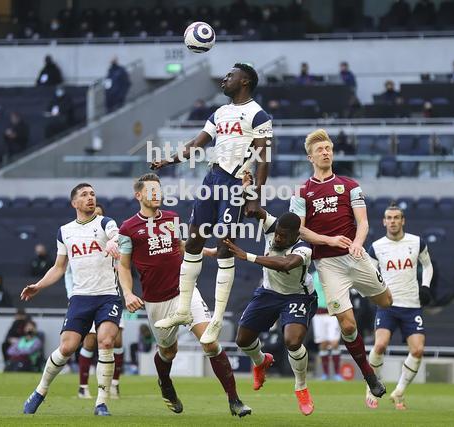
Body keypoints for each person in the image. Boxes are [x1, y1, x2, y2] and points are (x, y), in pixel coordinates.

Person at [150, 63, 272, 344]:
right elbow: (197, 142)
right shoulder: (219, 113)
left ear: (245, 82)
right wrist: (168, 160)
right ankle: (182, 310)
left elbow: (264, 159)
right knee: (193, 241)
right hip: (212, 178)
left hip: (235, 183)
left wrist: (255, 195)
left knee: (224, 247)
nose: (225, 79)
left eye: (231, 76)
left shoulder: (258, 115)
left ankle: (216, 319)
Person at [113, 173, 251, 416]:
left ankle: (234, 400)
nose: (157, 194)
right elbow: (123, 265)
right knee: (168, 351)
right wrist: (127, 293)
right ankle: (165, 384)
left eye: (159, 190)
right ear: (139, 195)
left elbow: (179, 246)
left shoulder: (172, 217)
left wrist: (204, 250)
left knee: (209, 341)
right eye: (151, 190)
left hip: (184, 291)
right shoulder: (128, 229)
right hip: (156, 301)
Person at [289, 128, 393, 405]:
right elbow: (299, 231)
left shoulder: (349, 185)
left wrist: (358, 243)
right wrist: (328, 239)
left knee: (386, 300)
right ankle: (369, 374)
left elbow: (364, 223)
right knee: (347, 325)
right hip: (328, 264)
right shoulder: (302, 192)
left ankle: (377, 281)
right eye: (320, 150)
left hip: (355, 256)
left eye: (328, 149)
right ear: (310, 157)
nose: (325, 153)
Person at [20, 183, 122, 416]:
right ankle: (40, 391)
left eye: (93, 194)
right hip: (80, 297)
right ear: (74, 203)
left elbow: (117, 236)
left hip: (108, 295)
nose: (90, 198)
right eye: (84, 195)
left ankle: (101, 403)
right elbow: (58, 267)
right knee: (67, 348)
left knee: (105, 342)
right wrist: (38, 286)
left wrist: (115, 242)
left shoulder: (106, 222)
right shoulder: (65, 231)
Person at [220, 206, 317, 416]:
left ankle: (301, 387)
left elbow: (285, 264)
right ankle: (261, 361)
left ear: (295, 235)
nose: (278, 239)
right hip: (268, 292)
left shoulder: (304, 249)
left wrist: (248, 256)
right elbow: (256, 209)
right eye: (278, 234)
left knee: (292, 341)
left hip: (297, 295)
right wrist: (248, 190)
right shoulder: (272, 227)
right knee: (243, 340)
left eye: (283, 236)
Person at [366, 204, 434, 409]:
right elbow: (369, 274)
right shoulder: (376, 247)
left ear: (403, 220)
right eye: (389, 217)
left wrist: (425, 286)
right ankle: (372, 386)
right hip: (388, 304)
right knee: (380, 345)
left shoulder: (416, 242)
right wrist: (373, 293)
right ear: (384, 221)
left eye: (397, 217)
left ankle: (399, 392)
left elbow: (428, 265)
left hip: (412, 305)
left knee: (418, 350)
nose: (393, 221)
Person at [71, 203, 125, 400]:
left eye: (100, 215)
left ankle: (114, 385)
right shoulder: (77, 240)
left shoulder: (112, 239)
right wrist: (72, 294)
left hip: (110, 296)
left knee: (116, 340)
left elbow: (125, 267)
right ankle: (83, 386)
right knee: (89, 342)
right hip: (85, 297)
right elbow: (67, 271)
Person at [311, 271, 343, 381]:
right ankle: (325, 374)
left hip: (332, 313)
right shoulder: (313, 276)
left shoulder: (333, 273)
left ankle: (337, 373)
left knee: (334, 343)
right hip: (318, 314)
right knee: (323, 344)